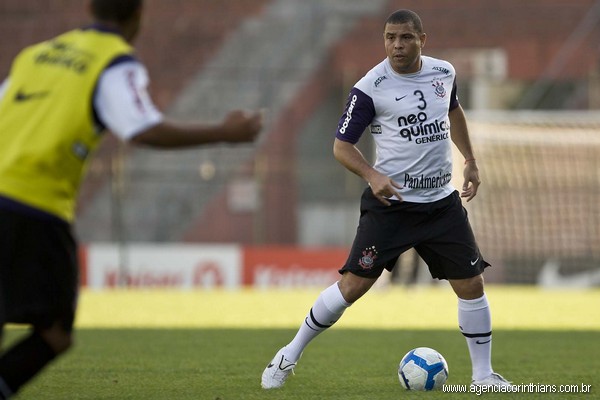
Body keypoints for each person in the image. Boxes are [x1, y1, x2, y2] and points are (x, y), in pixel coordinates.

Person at [0, 0, 262, 397]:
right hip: (33, 207)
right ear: (138, 16)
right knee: (55, 332)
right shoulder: (114, 62)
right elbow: (142, 128)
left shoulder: (35, 55)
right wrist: (223, 133)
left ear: (90, 7)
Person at [261, 9, 509, 389]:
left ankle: (483, 376)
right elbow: (341, 147)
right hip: (392, 206)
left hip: (441, 204)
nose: (397, 45)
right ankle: (287, 356)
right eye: (390, 37)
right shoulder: (369, 87)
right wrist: (372, 175)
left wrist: (471, 161)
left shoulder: (444, 73)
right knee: (352, 288)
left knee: (472, 285)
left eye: (406, 37)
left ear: (422, 40)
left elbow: (454, 112)